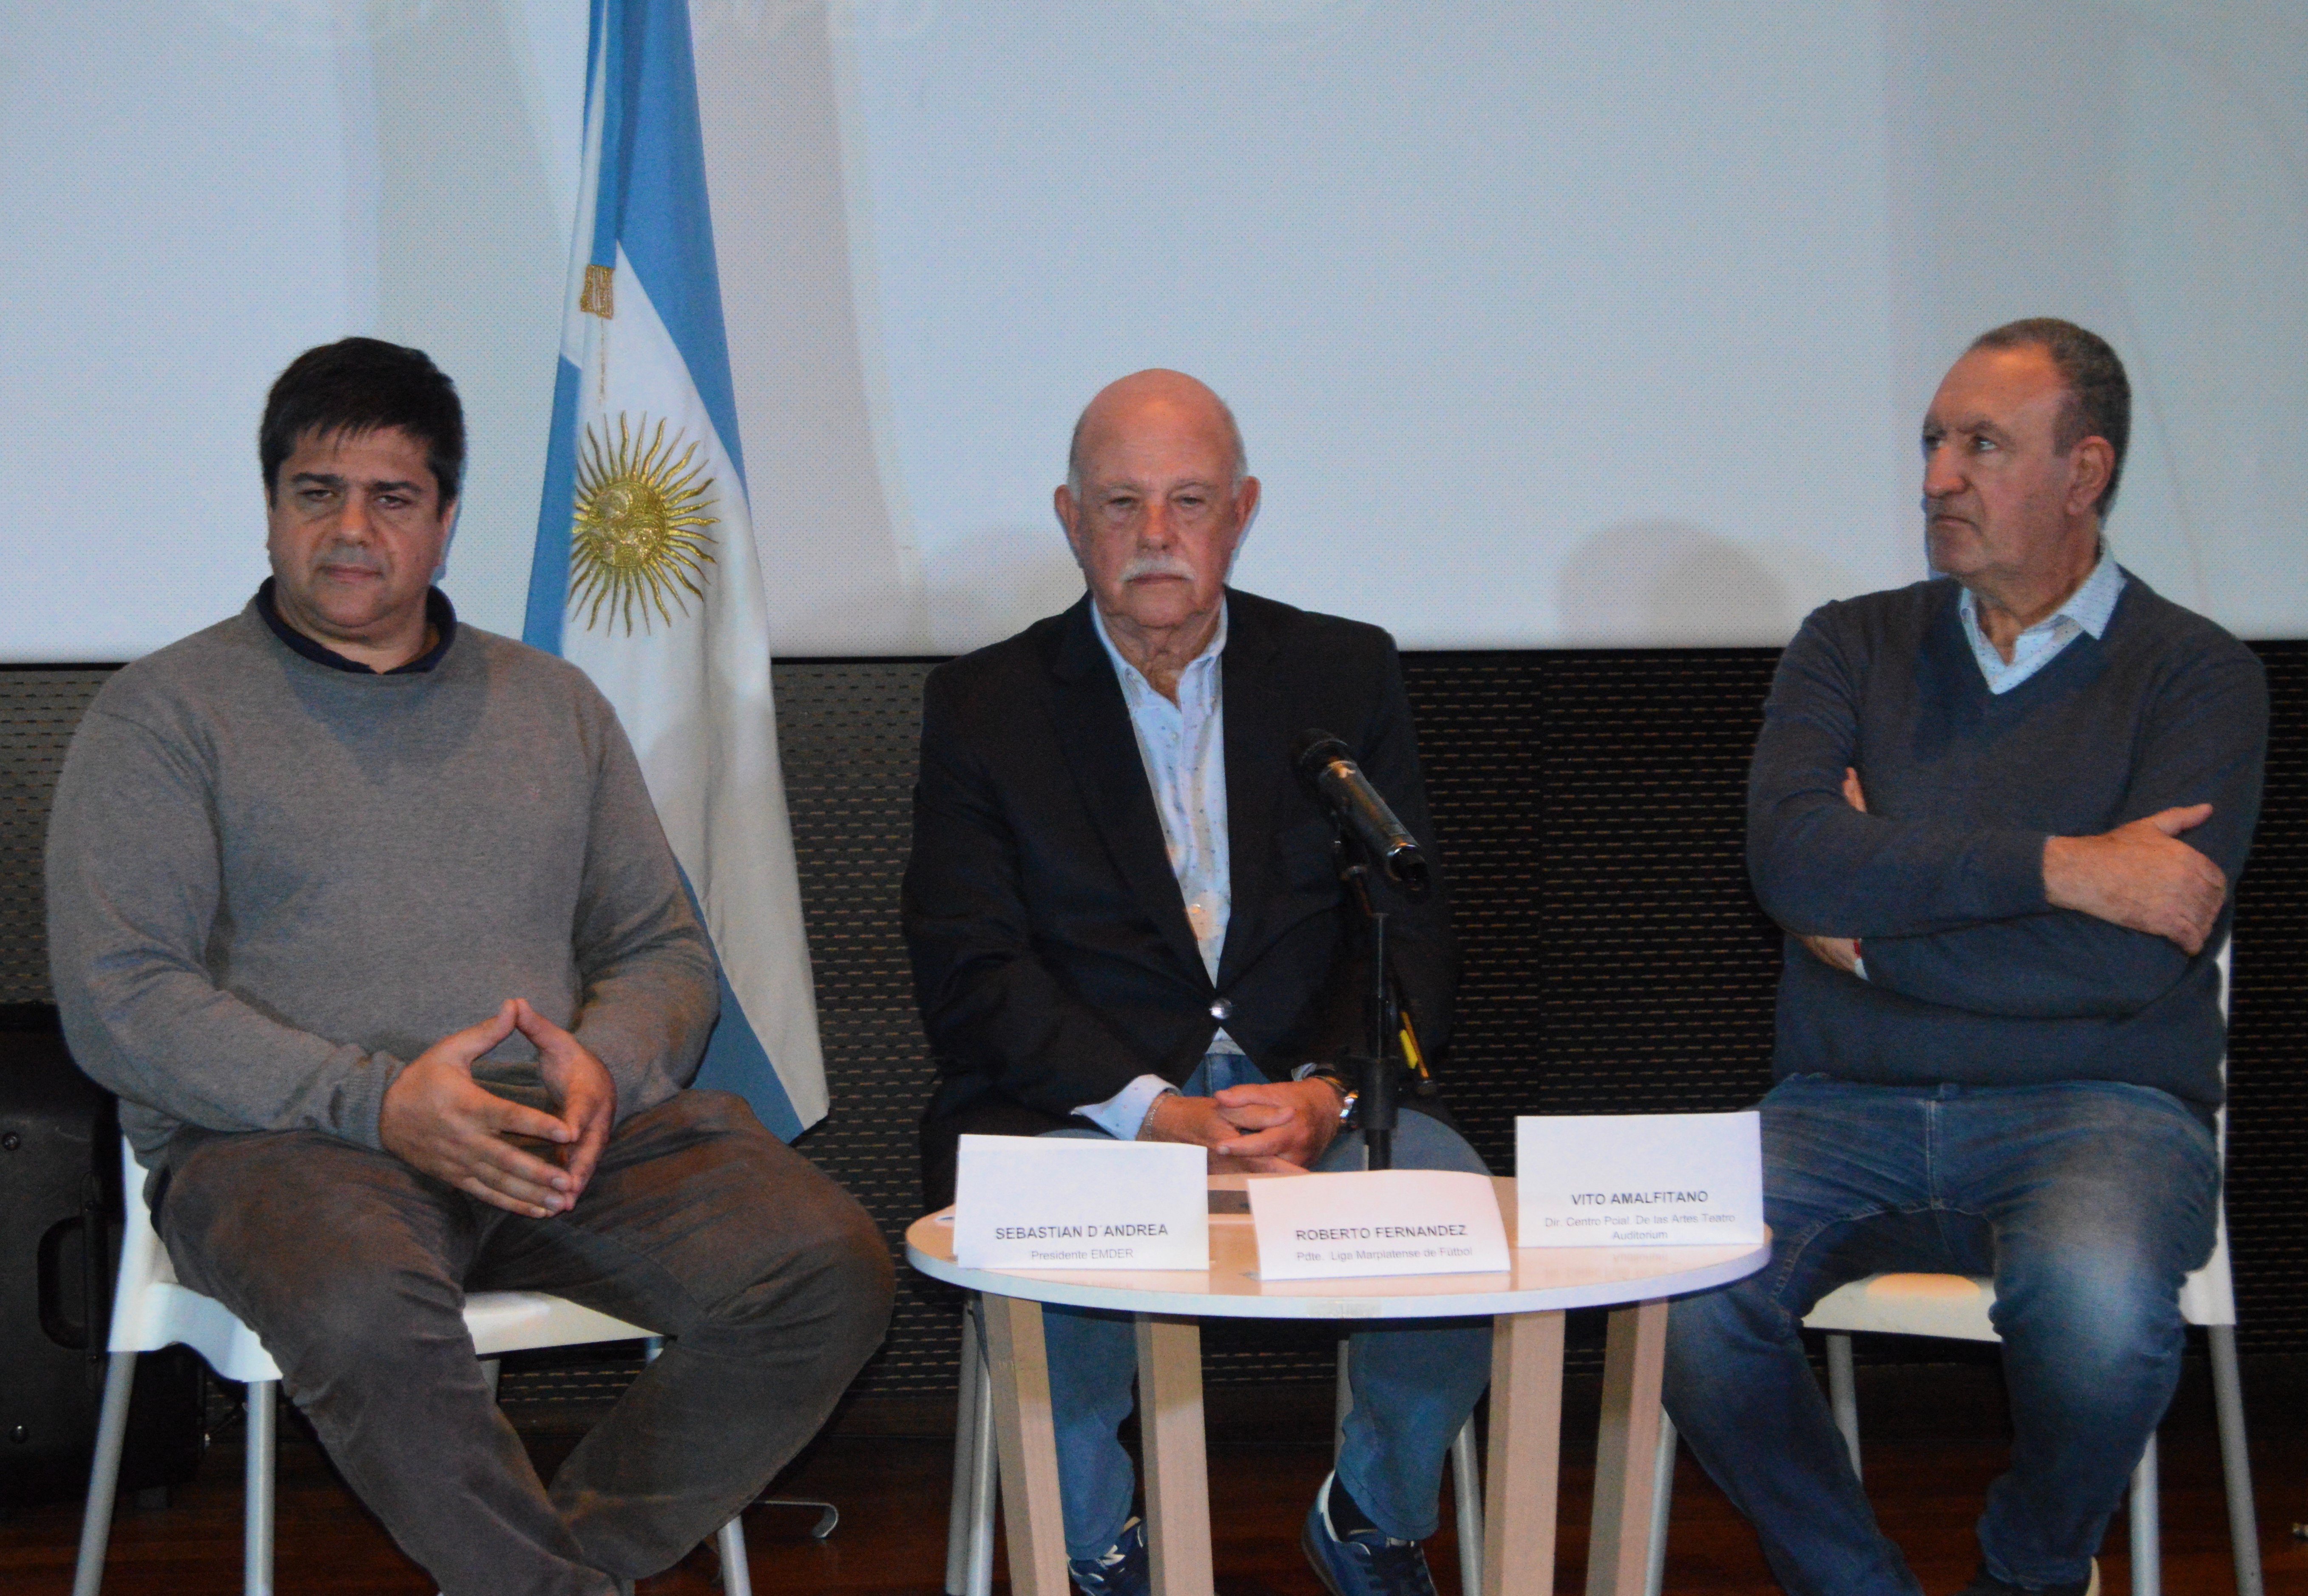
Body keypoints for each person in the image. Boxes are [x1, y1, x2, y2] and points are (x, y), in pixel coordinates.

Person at [45, 338, 894, 1596]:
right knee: (362, 1318)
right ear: (271, 506)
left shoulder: (554, 705)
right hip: (289, 1149)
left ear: (445, 521)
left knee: (826, 1266)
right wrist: (377, 1099)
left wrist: (605, 1061)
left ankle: (555, 1569)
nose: (349, 529)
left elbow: (663, 950)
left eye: (391, 497)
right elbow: (124, 1000)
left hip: (556, 1138)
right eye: (314, 491)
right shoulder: (165, 715)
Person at [1663, 319, 2267, 1596]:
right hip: (1843, 1106)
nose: (1937, 474)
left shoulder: (2199, 676)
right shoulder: (1848, 644)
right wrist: (2067, 869)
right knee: (1684, 1295)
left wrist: (1877, 940)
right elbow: (1793, 861)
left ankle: (2030, 1574)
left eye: (1981, 445)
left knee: (2099, 1314)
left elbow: (2130, 966)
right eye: (1934, 441)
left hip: (2103, 1110)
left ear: (2084, 470)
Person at [903, 369, 1490, 1596]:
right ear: (1071, 520)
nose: (1156, 536)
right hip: (1086, 1110)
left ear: (1243, 511)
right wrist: (1150, 1110)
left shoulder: (1343, 672)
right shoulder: (986, 704)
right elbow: (971, 969)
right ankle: (1099, 1551)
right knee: (1043, 1243)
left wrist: (1330, 1090)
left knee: (1450, 1198)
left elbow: (1408, 920)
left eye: (1188, 501)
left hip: (1302, 1097)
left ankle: (1375, 1518)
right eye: (1122, 504)